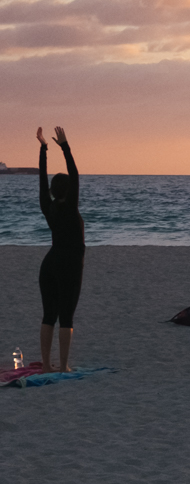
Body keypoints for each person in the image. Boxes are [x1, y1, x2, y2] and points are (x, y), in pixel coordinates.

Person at [35, 127, 83, 374]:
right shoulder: (71, 206)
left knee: (48, 316)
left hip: (50, 263)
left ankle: (46, 366)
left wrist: (43, 149)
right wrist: (65, 146)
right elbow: (75, 174)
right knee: (66, 317)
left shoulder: (48, 206)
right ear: (69, 191)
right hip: (70, 264)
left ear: (54, 192)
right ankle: (63, 366)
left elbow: (42, 182)